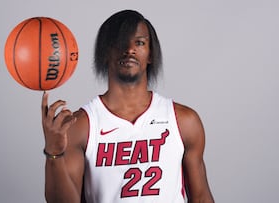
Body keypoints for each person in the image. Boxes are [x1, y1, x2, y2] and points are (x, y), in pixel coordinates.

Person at [41, 10, 214, 203]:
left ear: (150, 55)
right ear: (105, 52)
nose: (130, 49)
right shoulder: (81, 126)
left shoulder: (183, 121)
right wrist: (54, 152)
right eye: (120, 43)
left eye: (139, 43)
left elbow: (201, 198)